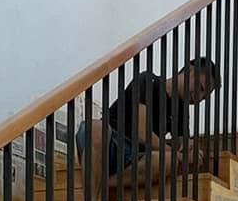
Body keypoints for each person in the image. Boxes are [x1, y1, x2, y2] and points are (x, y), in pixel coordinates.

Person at [87, 55, 220, 183]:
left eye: (204, 97)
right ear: (190, 70)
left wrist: (192, 152)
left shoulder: (181, 110)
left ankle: (104, 184)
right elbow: (142, 133)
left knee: (169, 161)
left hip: (134, 158)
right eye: (200, 88)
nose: (199, 98)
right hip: (110, 143)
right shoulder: (148, 81)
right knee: (95, 127)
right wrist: (179, 154)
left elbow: (183, 145)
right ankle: (98, 188)